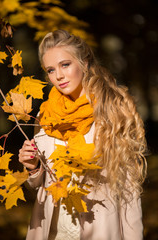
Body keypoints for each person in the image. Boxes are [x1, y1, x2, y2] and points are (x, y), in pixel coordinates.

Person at [19, 30, 147, 240]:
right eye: (50, 70)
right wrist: (33, 168)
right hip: (52, 230)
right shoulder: (45, 114)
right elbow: (40, 187)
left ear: (85, 63)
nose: (58, 75)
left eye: (65, 65)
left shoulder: (112, 111)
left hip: (98, 229)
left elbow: (129, 190)